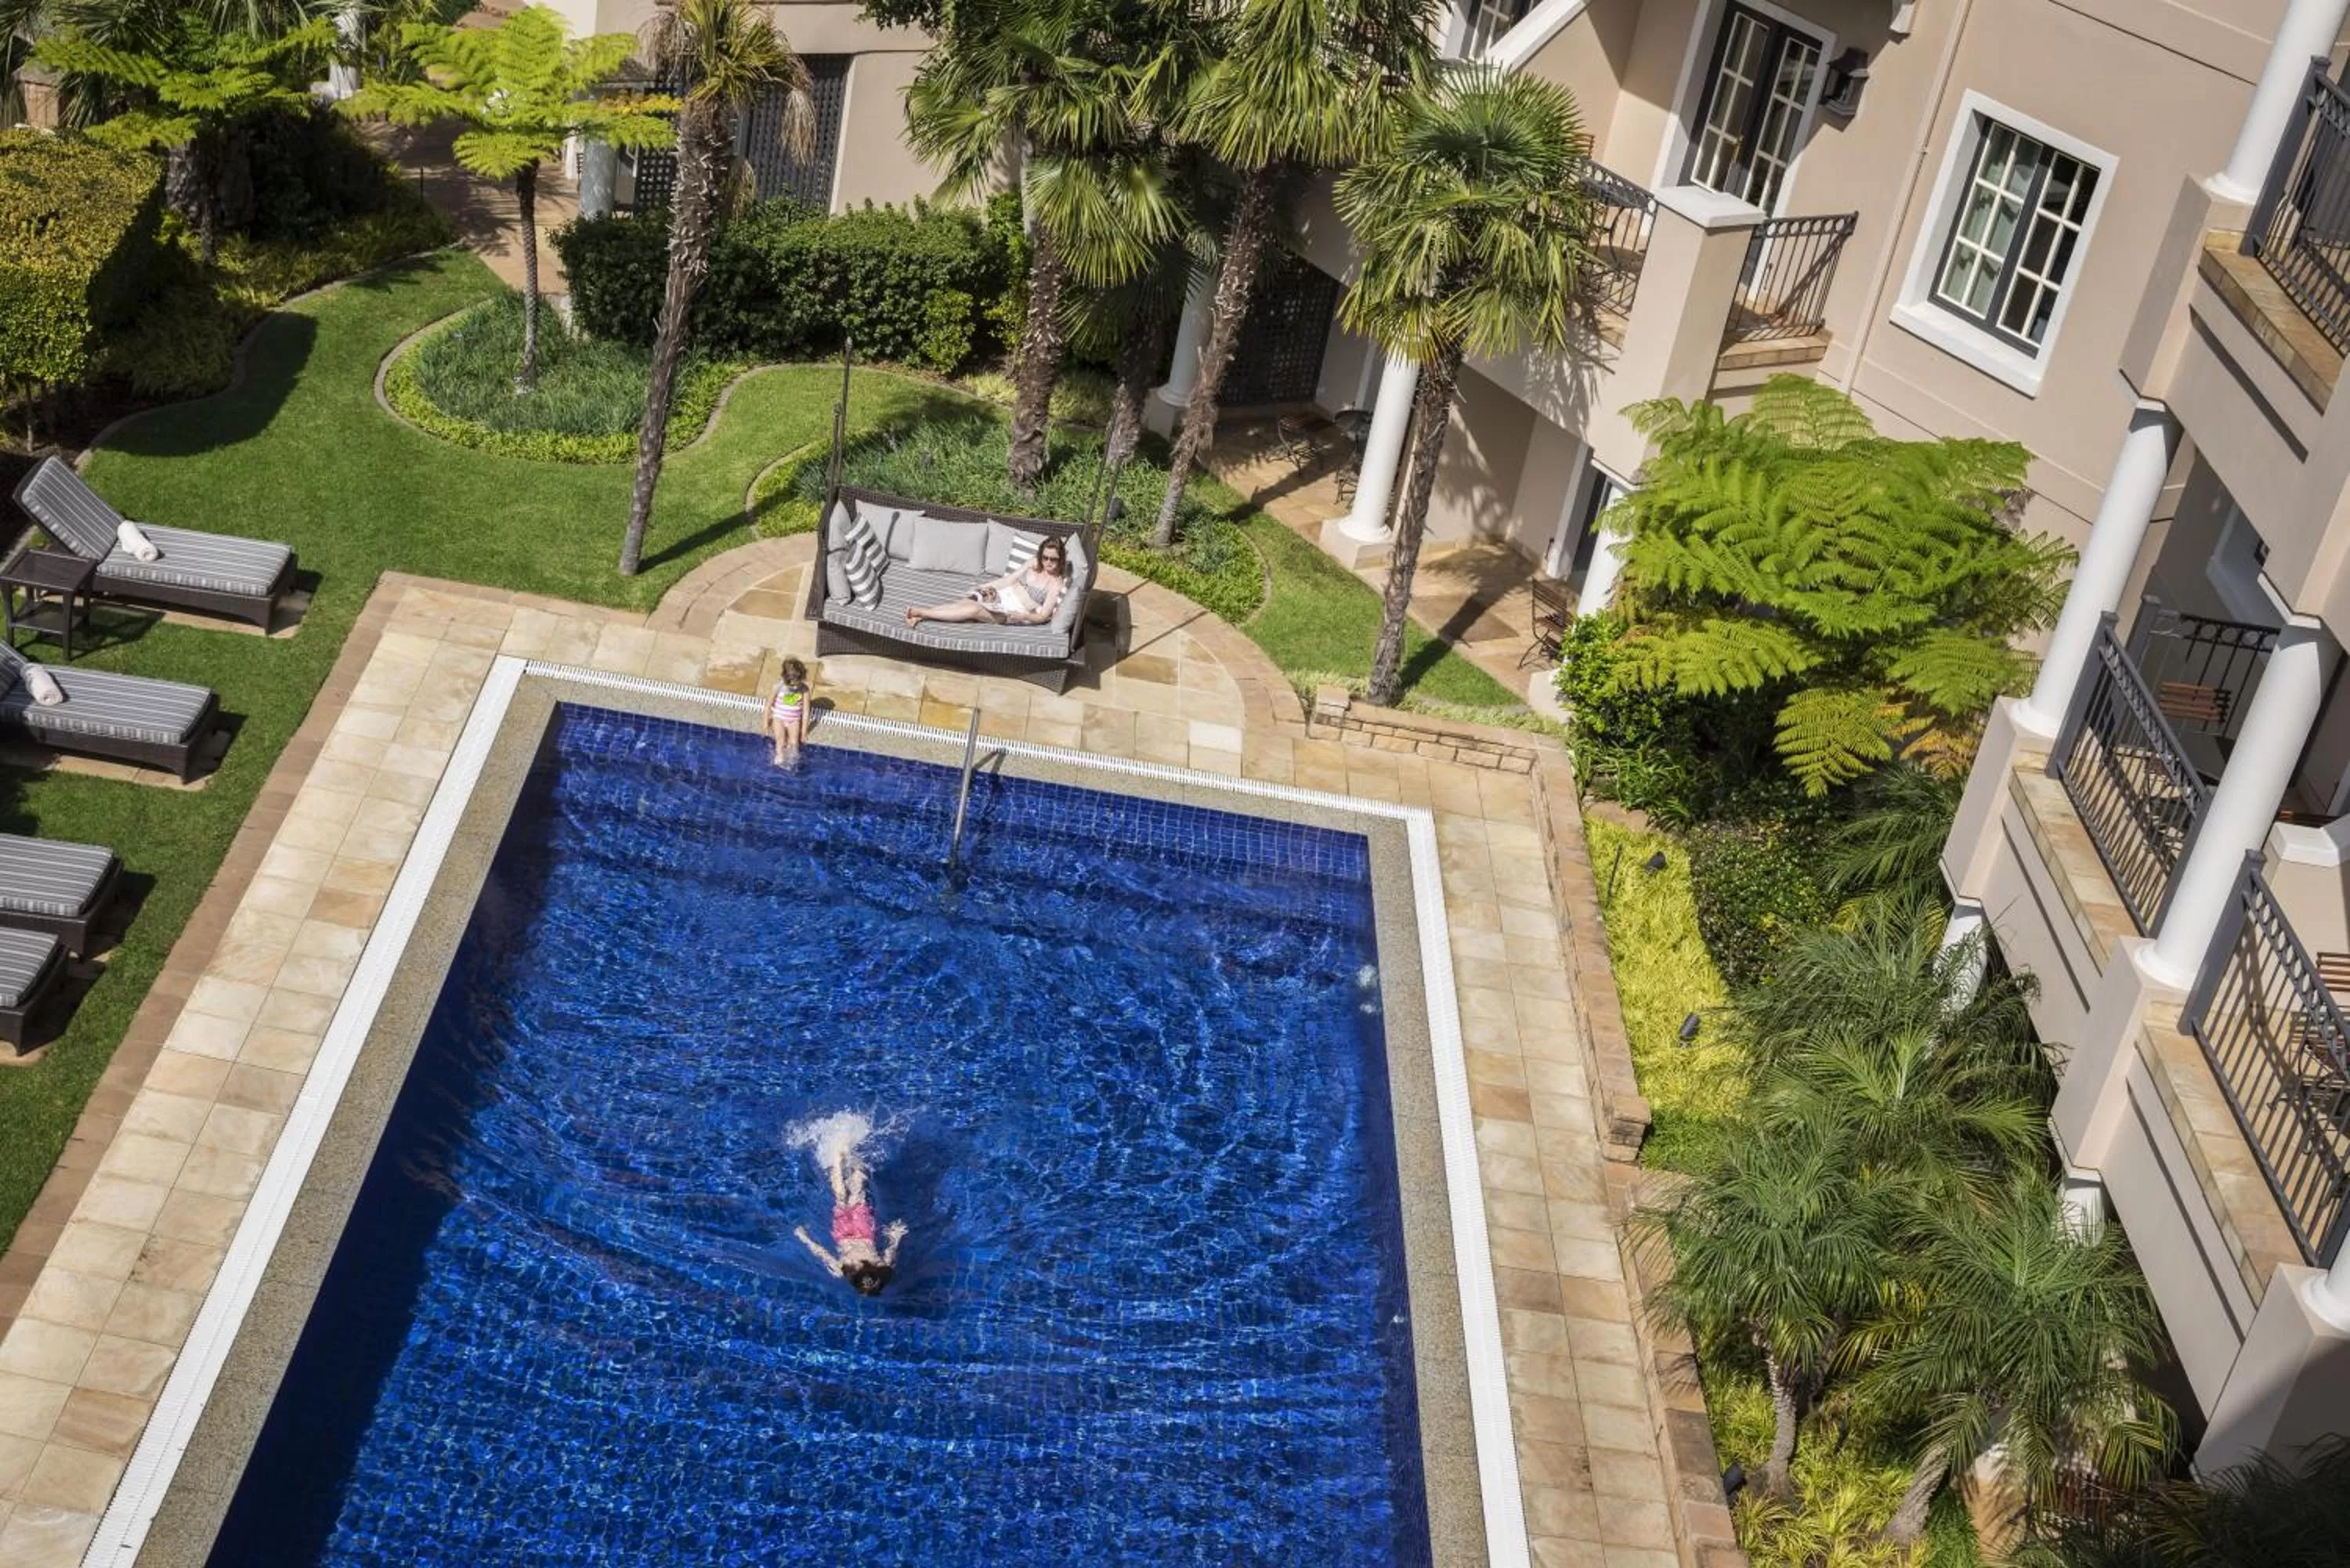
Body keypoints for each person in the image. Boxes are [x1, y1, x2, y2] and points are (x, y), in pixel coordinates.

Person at [791, 1111, 906, 1295]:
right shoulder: (842, 1271)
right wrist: (803, 1237)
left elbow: (891, 1251)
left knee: (856, 1194)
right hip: (844, 1235)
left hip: (862, 1233)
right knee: (841, 1198)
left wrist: (896, 1236)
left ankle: (849, 1160)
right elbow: (820, 1252)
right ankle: (838, 1160)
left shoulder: (878, 1267)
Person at [904, 535, 1071, 629]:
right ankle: (920, 617)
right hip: (1000, 595)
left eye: (1054, 559)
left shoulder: (1055, 584)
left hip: (1011, 611)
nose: (1048, 562)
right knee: (965, 602)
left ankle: (922, 612)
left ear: (1060, 559)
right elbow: (1009, 579)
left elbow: (1043, 616)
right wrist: (985, 586)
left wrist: (1024, 616)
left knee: (973, 610)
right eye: (1045, 557)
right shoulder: (1033, 563)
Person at [765, 657, 810, 764]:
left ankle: (791, 762)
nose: (795, 688)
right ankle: (780, 756)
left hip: (794, 720)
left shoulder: (804, 689)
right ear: (785, 679)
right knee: (780, 739)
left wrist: (803, 732)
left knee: (794, 743)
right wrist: (765, 724)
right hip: (779, 718)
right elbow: (768, 705)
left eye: (797, 684)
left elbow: (806, 711)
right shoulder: (778, 687)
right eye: (792, 685)